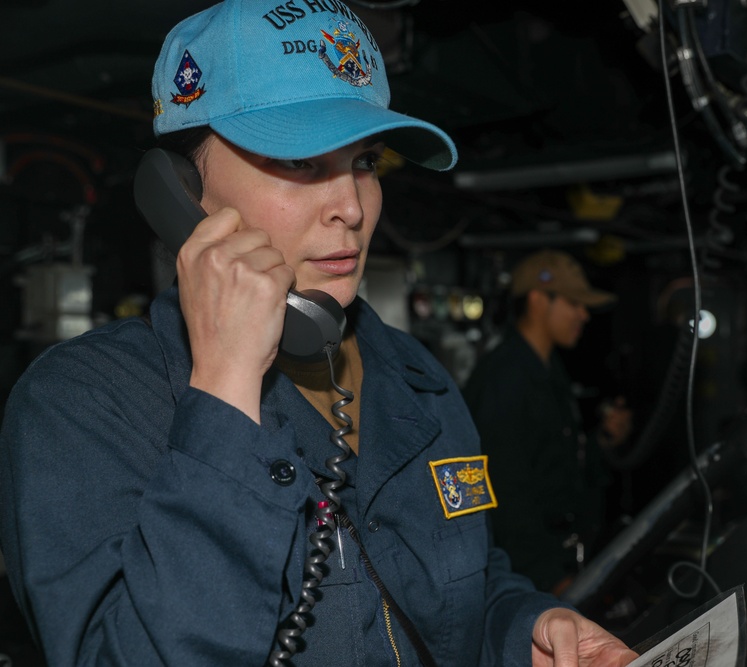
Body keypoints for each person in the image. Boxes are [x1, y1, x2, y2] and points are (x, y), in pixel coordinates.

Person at [0, 2, 639, 665]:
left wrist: (525, 628)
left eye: (364, 161)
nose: (353, 206)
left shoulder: (413, 376)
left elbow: (457, 587)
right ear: (181, 195)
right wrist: (224, 391)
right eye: (302, 162)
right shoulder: (80, 403)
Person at [463, 250, 633, 596]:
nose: (584, 315)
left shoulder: (548, 370)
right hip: (528, 577)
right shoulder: (506, 379)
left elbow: (554, 463)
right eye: (574, 303)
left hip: (561, 558)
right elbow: (503, 493)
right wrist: (550, 578)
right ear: (539, 300)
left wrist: (601, 440)